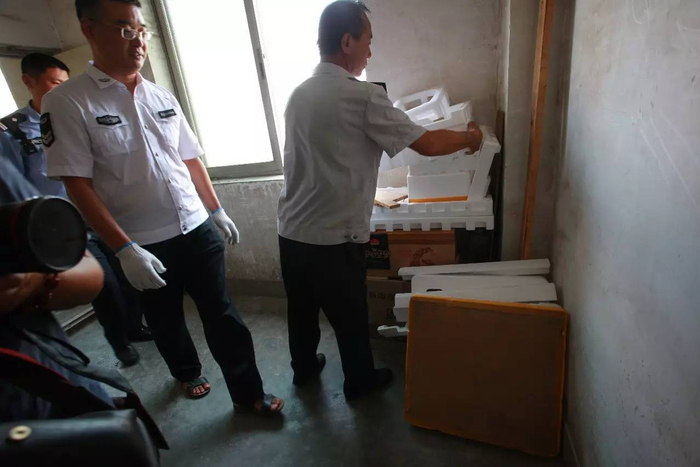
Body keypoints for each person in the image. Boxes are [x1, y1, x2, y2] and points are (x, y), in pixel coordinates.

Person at [43, 0, 283, 414]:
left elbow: (190, 159)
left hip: (196, 227)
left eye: (142, 31)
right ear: (89, 30)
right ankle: (187, 372)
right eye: (125, 29)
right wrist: (123, 248)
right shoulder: (68, 101)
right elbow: (77, 184)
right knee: (165, 318)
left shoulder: (159, 94)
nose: (138, 41)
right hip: (142, 242)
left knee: (223, 315)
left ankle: (249, 395)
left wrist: (215, 209)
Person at [277, 0, 483, 400]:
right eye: (368, 41)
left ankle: (303, 369)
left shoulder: (297, 95)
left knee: (300, 310)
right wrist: (470, 138)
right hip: (335, 240)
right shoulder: (363, 97)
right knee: (350, 317)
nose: (370, 52)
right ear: (347, 42)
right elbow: (426, 143)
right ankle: (359, 382)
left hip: (291, 231)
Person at [0, 53, 152, 367]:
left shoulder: (74, 116)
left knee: (126, 275)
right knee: (106, 286)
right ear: (29, 81)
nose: (61, 91)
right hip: (60, 227)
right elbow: (13, 195)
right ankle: (120, 342)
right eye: (54, 83)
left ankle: (134, 327)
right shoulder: (12, 132)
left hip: (95, 211)